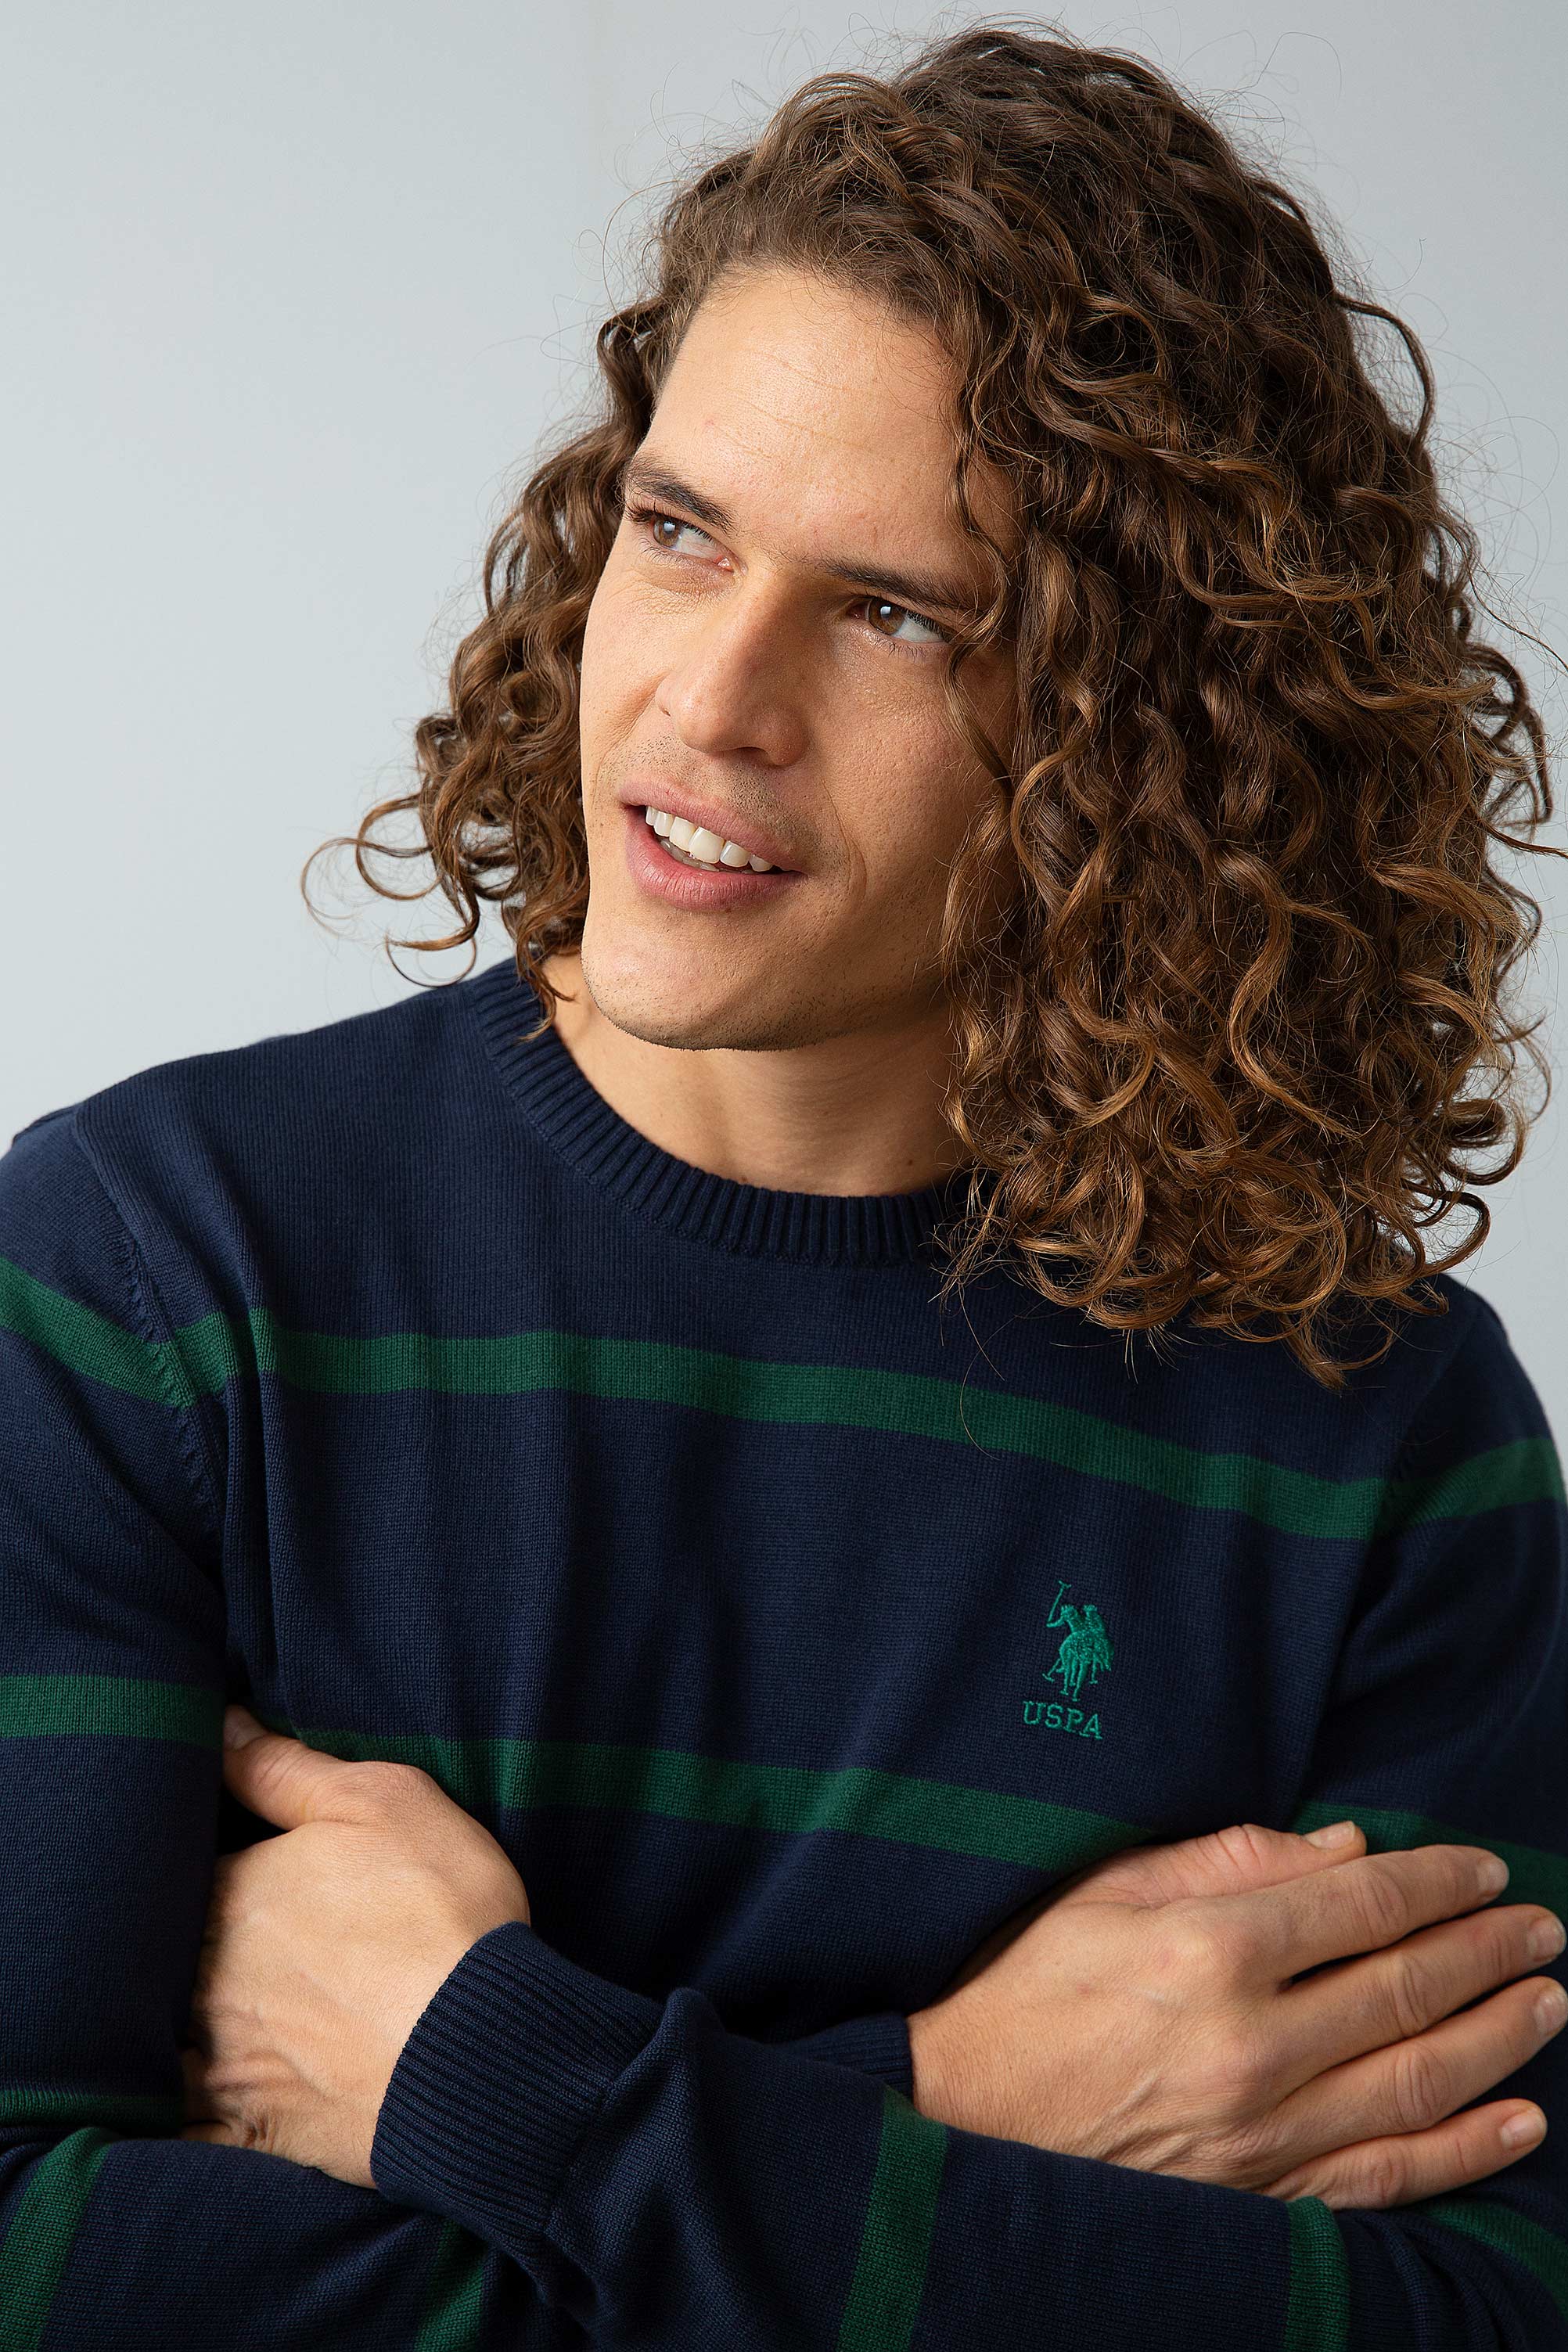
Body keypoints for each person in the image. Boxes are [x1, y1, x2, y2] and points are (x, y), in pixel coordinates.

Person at [1, 23, 1564, 2348]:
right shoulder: (151, 1279)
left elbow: (1482, 2320)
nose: (711, 701)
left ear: (1149, 740)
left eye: (897, 611)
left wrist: (504, 2094)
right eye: (679, 532)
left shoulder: (1375, 1431)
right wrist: (970, 2104)